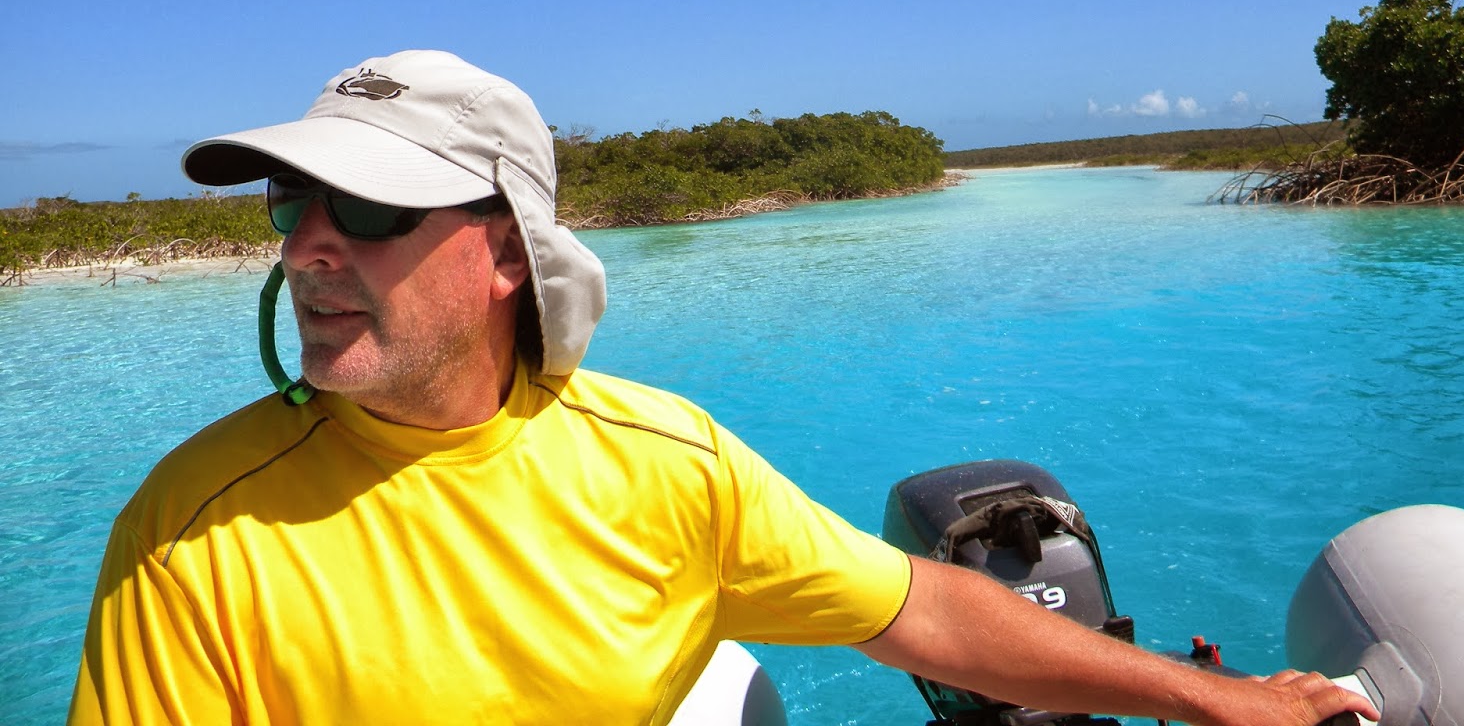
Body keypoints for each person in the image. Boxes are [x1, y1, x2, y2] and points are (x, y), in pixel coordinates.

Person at [69, 50, 1376, 726]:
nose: (306, 244)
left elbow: (921, 608)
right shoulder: (192, 532)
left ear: (509, 253)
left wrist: (1219, 697)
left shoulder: (663, 462)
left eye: (364, 207)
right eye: (292, 203)